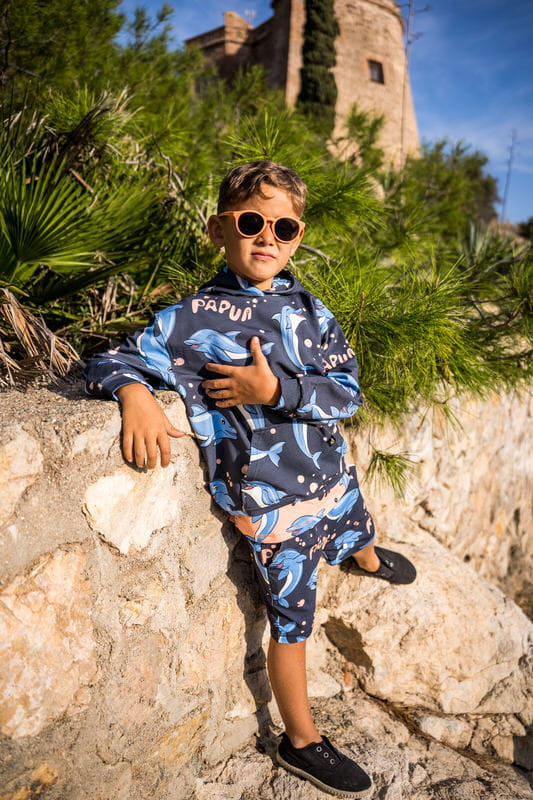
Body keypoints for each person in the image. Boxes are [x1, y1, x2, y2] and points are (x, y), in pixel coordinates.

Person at [85, 160, 416, 798]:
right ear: (219, 229)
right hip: (273, 508)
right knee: (292, 623)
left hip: (330, 475)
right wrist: (136, 394)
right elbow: (110, 358)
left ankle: (368, 559)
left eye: (283, 227)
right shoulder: (189, 320)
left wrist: (275, 390)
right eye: (251, 222)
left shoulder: (311, 310)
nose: (268, 236)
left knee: (355, 523)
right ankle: (302, 741)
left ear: (297, 237)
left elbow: (348, 394)